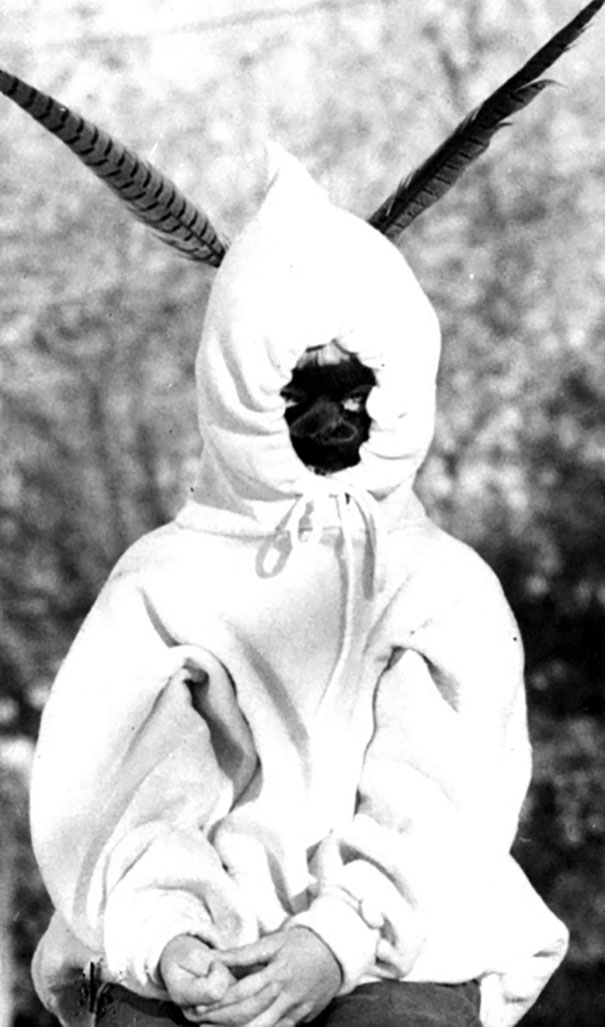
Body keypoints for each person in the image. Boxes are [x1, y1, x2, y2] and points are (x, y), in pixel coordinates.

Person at [30, 148, 567, 1027]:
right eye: (296, 391)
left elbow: (446, 797)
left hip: (401, 941)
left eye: (352, 392)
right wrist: (170, 937)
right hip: (201, 943)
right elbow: (121, 788)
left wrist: (340, 938)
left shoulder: (439, 584)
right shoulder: (164, 583)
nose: (328, 422)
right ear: (238, 379)